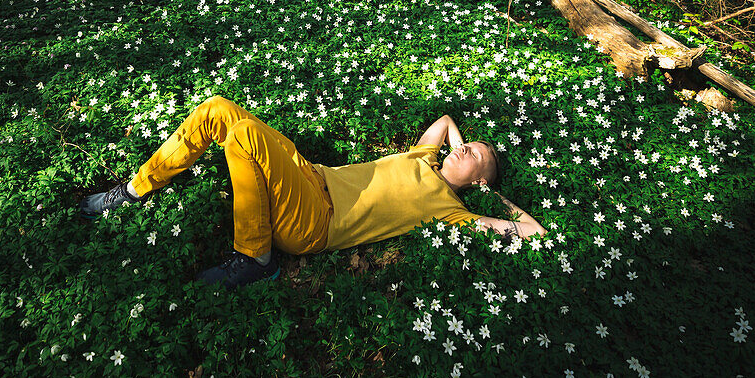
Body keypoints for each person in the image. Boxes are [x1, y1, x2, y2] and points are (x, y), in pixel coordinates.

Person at [80, 96, 546, 288]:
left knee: (242, 138)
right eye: (469, 148)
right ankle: (135, 189)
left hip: (315, 222)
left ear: (480, 182)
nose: (465, 153)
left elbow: (532, 230)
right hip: (312, 177)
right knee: (220, 110)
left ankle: (255, 257)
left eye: (477, 158)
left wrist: (489, 195)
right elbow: (445, 122)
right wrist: (465, 150)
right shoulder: (423, 157)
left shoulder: (450, 210)